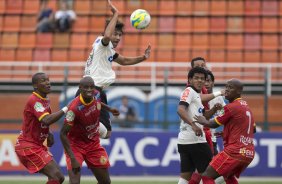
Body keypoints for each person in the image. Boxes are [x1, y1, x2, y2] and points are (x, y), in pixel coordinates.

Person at [82, 0, 151, 138]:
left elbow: (124, 60)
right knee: (94, 130)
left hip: (98, 91)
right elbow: (107, 36)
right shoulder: (102, 43)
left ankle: (84, 126)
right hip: (91, 89)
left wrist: (143, 57)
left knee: (107, 133)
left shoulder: (108, 50)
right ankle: (82, 125)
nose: (118, 37)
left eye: (120, 35)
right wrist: (116, 14)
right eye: (115, 34)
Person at [194, 79, 255, 184]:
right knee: (228, 177)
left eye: (230, 87)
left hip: (234, 152)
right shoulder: (246, 107)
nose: (226, 90)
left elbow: (213, 124)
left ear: (239, 91)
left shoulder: (231, 107)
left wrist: (203, 120)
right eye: (226, 87)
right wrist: (229, 132)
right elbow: (252, 129)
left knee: (207, 175)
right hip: (248, 152)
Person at [60, 76, 119, 184]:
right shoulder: (73, 110)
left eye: (91, 87)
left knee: (105, 182)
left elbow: (97, 101)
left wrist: (109, 109)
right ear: (80, 88)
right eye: (86, 87)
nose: (89, 90)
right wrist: (72, 158)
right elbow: (62, 134)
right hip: (76, 146)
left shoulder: (95, 94)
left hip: (93, 144)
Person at [14, 72, 69, 184]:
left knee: (58, 178)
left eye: (48, 80)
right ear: (35, 86)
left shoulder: (45, 100)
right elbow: (46, 119)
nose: (48, 83)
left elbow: (41, 121)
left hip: (36, 146)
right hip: (27, 146)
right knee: (56, 177)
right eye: (43, 80)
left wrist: (48, 133)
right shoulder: (34, 100)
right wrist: (67, 108)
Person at [177, 67, 222, 184]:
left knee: (184, 178)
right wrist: (193, 125)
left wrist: (213, 109)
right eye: (196, 78)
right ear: (190, 80)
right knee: (214, 175)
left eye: (202, 78)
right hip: (195, 141)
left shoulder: (196, 95)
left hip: (185, 141)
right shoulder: (189, 91)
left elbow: (203, 117)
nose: (200, 81)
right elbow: (180, 110)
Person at [204, 70, 226, 155]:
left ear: (213, 83)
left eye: (208, 81)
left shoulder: (218, 99)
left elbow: (225, 115)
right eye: (204, 81)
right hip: (199, 139)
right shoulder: (197, 98)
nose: (206, 84)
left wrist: (226, 131)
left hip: (212, 139)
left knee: (214, 166)